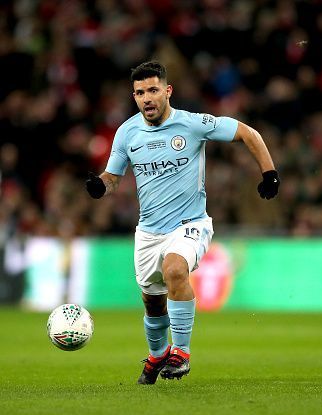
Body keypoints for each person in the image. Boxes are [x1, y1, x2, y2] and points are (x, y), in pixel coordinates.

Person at [85, 61, 280, 384]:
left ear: (167, 91)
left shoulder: (192, 124)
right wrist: (100, 185)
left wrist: (269, 173)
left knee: (176, 270)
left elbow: (248, 132)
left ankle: (182, 353)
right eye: (139, 93)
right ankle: (158, 355)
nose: (146, 98)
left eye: (152, 90)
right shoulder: (127, 132)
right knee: (152, 302)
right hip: (148, 232)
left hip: (191, 223)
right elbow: (113, 177)